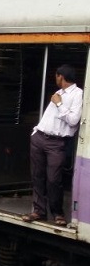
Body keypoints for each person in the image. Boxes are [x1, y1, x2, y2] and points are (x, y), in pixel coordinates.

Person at [24, 64, 83, 226]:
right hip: (40, 138)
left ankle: (57, 213)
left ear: (60, 77)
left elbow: (73, 120)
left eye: (56, 76)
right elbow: (48, 118)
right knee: (37, 176)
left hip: (57, 143)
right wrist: (35, 132)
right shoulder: (58, 93)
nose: (55, 79)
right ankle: (39, 211)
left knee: (53, 179)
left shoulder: (78, 94)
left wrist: (59, 104)